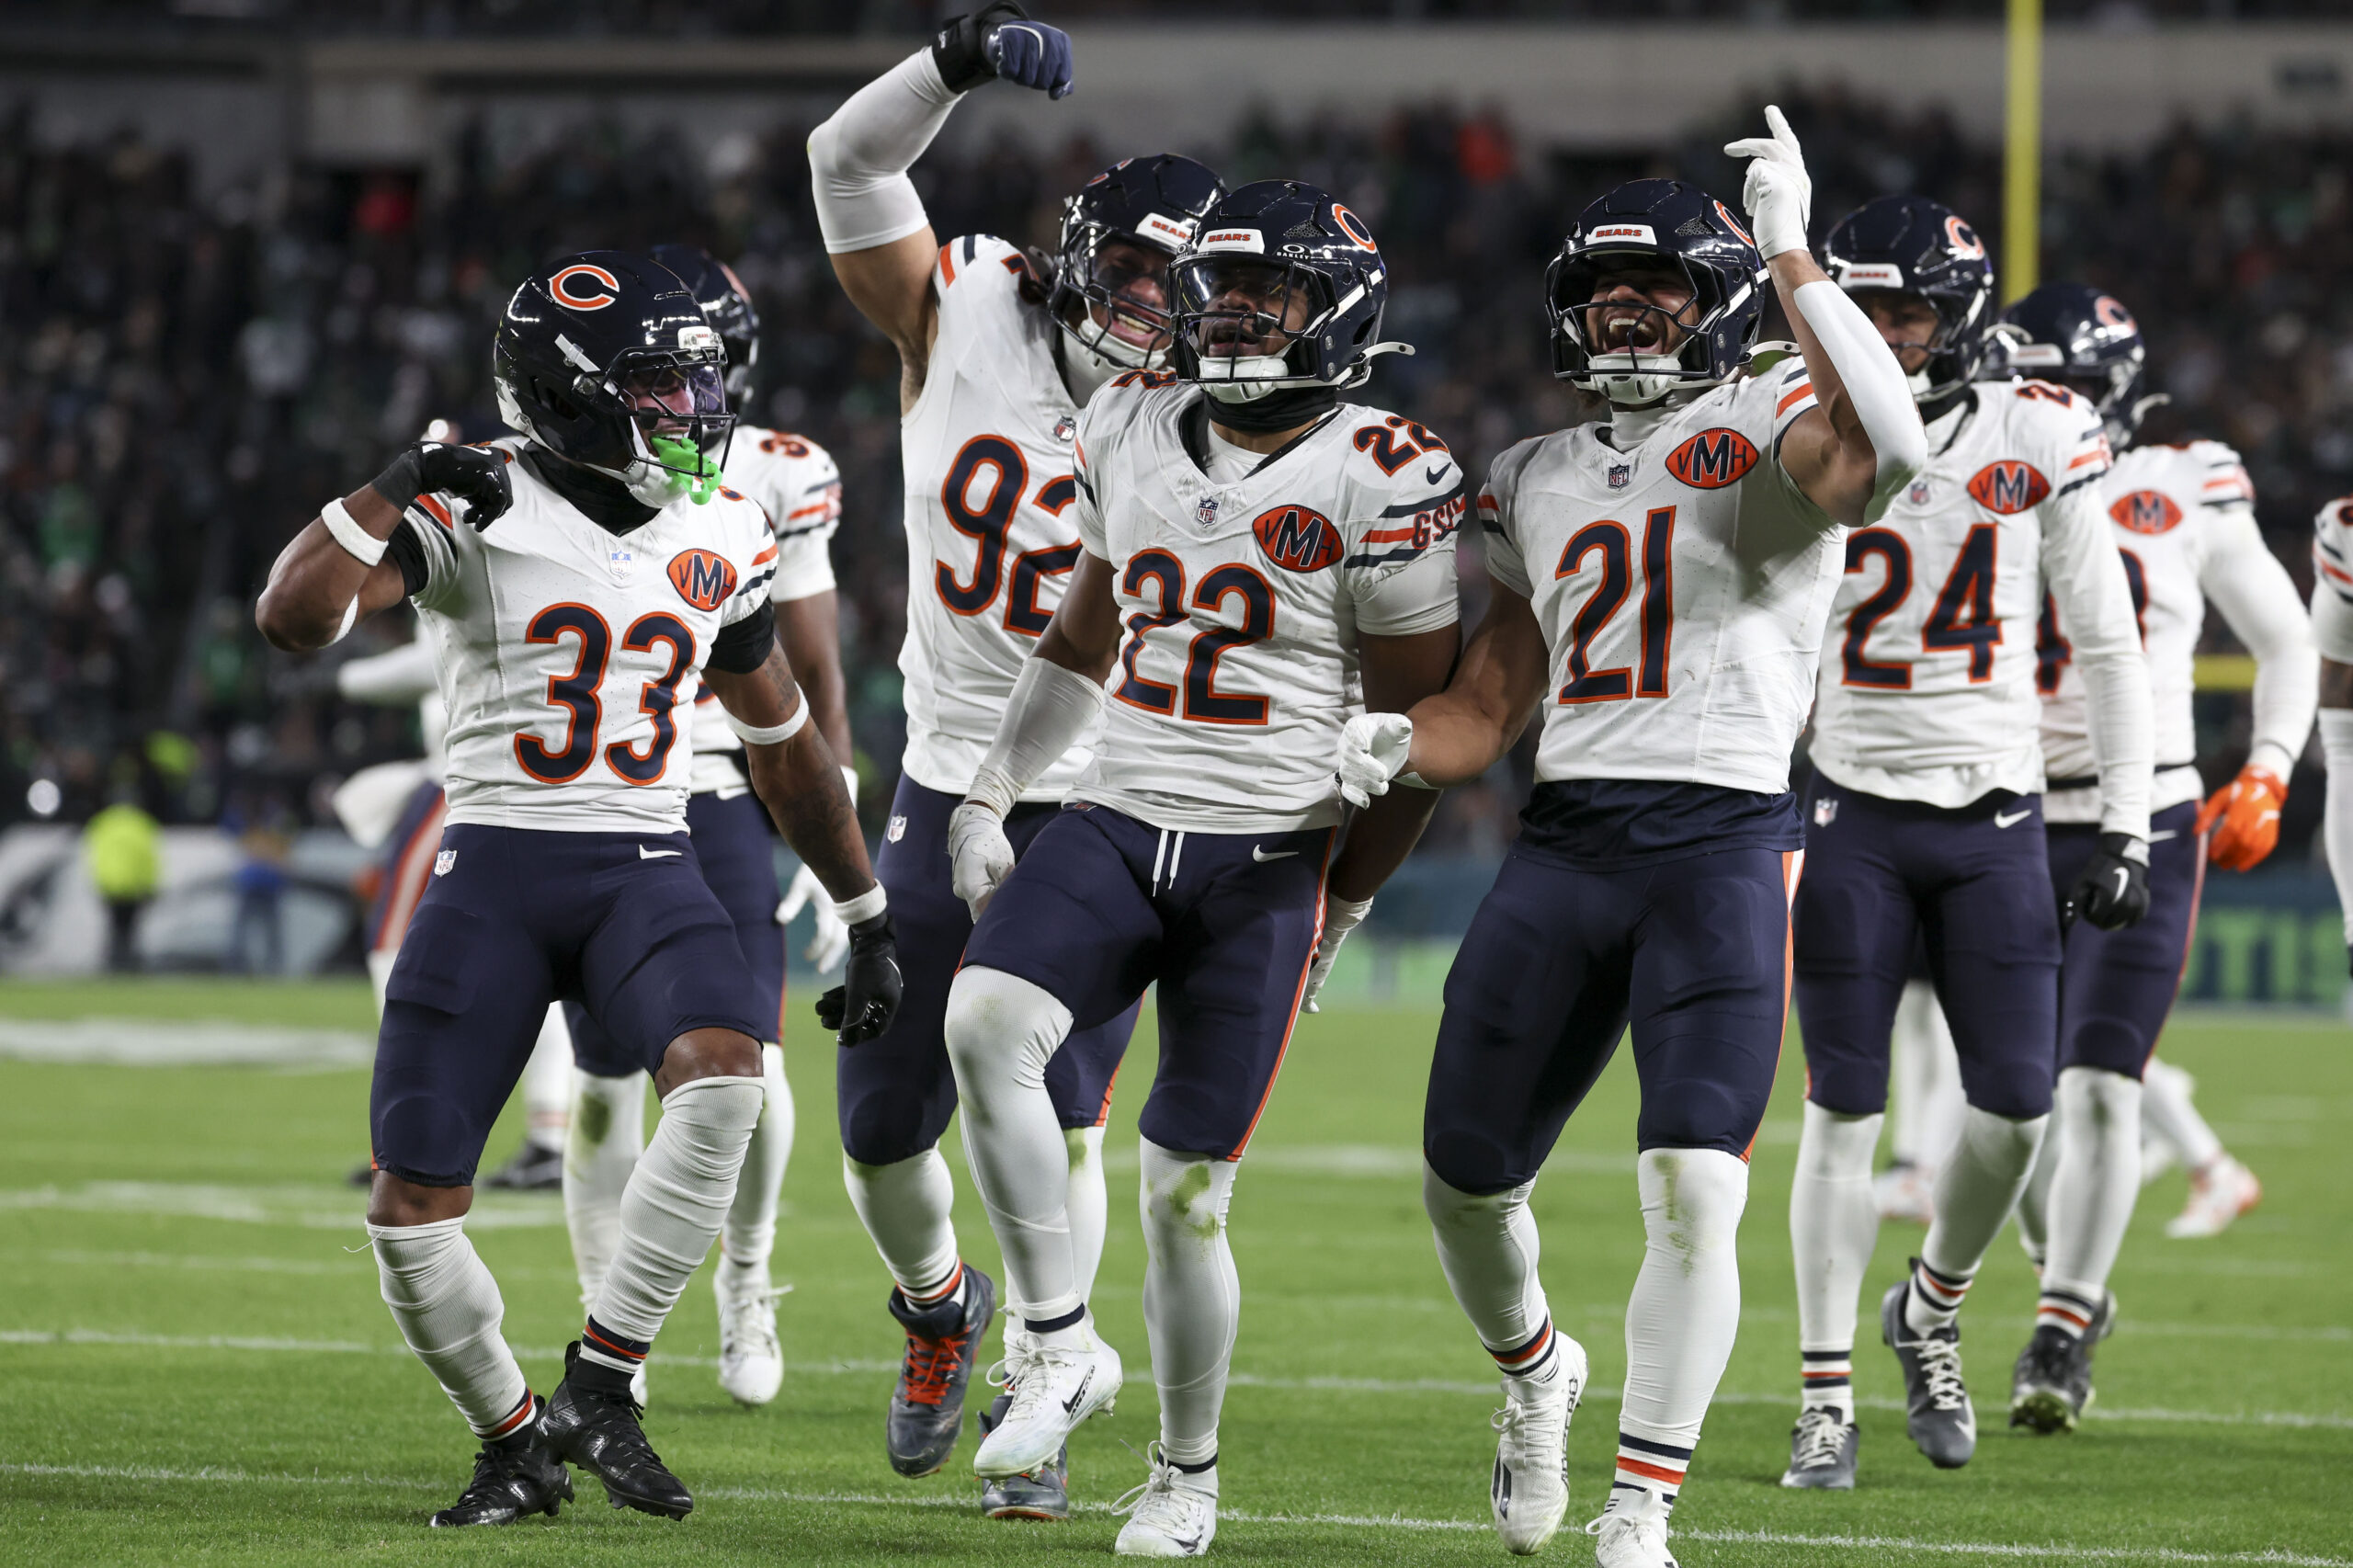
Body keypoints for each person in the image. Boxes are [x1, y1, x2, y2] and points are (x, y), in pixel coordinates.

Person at [1340, 109, 1926, 1564]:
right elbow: (1487, 701)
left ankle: (1641, 1510)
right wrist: (1384, 747)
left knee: (1695, 1182)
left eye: (1660, 285)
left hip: (1722, 846)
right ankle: (1538, 1373)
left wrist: (1792, 243)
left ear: (1718, 299)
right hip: (1565, 843)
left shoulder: (1769, 423)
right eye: (1607, 287)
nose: (1628, 307)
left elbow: (1895, 436)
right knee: (1461, 1177)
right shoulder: (1532, 471)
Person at [254, 252, 900, 1528]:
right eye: (660, 384)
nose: (693, 410)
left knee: (728, 1077)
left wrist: (867, 909)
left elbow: (785, 746)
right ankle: (510, 1440)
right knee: (411, 1207)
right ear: (574, 387)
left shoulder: (723, 525)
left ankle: (603, 1381)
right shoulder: (474, 502)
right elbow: (293, 618)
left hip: (645, 860)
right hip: (493, 863)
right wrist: (394, 487)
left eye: (698, 382)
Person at [943, 177, 1463, 1556]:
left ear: (1333, 309)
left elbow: (1412, 740)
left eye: (1268, 289)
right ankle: (1057, 1343)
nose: (1233, 308)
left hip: (1266, 851)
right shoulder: (1124, 417)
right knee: (984, 1019)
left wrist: (1345, 905)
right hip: (1117, 809)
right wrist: (994, 785)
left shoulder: (1389, 470)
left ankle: (1186, 1473)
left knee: (1184, 1190)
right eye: (1219, 280)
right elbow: (1081, 636)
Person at [808, 4, 1214, 1510]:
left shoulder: (1210, 405)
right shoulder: (960, 309)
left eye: (1183, 296)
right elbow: (842, 162)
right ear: (1071, 257)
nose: (1154, 317)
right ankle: (939, 1311)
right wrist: (953, 61)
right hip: (943, 771)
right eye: (1134, 280)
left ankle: (1041, 1403)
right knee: (877, 1127)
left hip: (1109, 792)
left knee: (1065, 1111)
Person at [1780, 199, 2154, 1489]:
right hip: (1852, 807)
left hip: (1996, 814)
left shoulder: (2033, 427)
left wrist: (2125, 819)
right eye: (1864, 307)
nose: (1884, 334)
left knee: (2017, 1109)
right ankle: (1824, 1393)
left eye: (1908, 311)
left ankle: (1930, 1306)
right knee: (1841, 1113)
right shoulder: (1792, 415)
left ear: (1962, 315)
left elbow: (2104, 637)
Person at [1996, 283, 2314, 1432]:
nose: (2036, 402)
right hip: (1993, 815)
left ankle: (2062, 1325)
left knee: (2095, 1088)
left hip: (2148, 815)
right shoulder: (1969, 469)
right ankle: (2064, 1273)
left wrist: (2270, 764)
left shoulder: (2183, 487)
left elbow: (2284, 637)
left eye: (2060, 382)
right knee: (2004, 1109)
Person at [558, 244, 855, 1413]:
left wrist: (833, 849)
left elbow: (813, 667)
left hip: (725, 783)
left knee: (759, 1068)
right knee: (595, 1084)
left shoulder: (778, 471)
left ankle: (747, 1277)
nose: (685, 400)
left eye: (705, 369)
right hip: (599, 791)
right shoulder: (538, 476)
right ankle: (604, 1320)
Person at [333, 634, 574, 1192]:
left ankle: (411, 1136)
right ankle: (551, 1134)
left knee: (395, 943)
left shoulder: (468, 550)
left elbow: (439, 652)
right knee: (544, 961)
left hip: (472, 780)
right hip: (544, 784)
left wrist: (346, 677)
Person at [84, 788, 160, 972]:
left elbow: (95, 855)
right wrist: (151, 884)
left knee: (114, 928)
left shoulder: (102, 822)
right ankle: (128, 967)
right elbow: (148, 858)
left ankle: (112, 965)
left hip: (110, 885)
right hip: (134, 886)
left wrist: (98, 881)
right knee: (130, 930)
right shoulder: (142, 823)